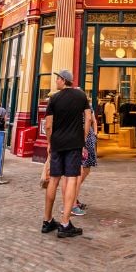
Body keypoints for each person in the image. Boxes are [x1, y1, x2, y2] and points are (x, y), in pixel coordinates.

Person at [42, 69, 91, 238]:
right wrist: (83, 138)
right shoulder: (81, 96)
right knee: (71, 179)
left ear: (63, 80)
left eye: (57, 79)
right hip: (74, 144)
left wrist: (50, 142)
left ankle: (47, 221)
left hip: (57, 144)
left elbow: (48, 125)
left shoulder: (54, 98)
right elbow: (89, 118)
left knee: (54, 180)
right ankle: (64, 223)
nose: (56, 81)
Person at [72, 109, 97, 217]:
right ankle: (72, 202)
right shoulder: (73, 105)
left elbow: (93, 120)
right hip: (79, 139)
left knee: (86, 169)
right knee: (78, 172)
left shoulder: (87, 105)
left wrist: (95, 134)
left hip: (87, 139)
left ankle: (73, 197)